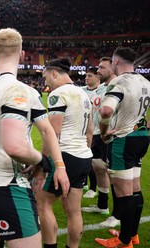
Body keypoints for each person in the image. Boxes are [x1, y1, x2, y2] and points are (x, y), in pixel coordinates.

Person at [0, 28, 69, 248]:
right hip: (6, 184)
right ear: (21, 55)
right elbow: (16, 146)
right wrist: (46, 162)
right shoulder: (19, 90)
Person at [95, 47, 150, 248]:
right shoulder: (145, 81)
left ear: (116, 61)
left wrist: (103, 131)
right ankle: (132, 234)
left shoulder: (119, 82)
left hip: (123, 139)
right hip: (141, 136)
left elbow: (106, 110)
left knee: (123, 192)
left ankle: (124, 241)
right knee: (135, 188)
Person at [37, 58, 93, 248]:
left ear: (54, 73)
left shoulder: (58, 94)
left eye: (46, 77)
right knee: (74, 211)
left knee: (43, 203)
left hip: (65, 156)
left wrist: (43, 162)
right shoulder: (84, 94)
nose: (45, 83)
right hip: (84, 156)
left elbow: (52, 133)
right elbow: (90, 131)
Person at [81, 57, 121, 228]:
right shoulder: (101, 89)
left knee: (115, 176)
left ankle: (117, 215)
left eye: (102, 67)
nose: (98, 70)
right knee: (98, 167)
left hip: (110, 135)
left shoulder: (117, 87)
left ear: (112, 69)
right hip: (97, 134)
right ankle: (102, 206)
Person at [82, 66, 101, 199]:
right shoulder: (81, 91)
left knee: (95, 162)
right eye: (86, 75)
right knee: (84, 158)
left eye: (90, 76)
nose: (86, 78)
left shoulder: (103, 91)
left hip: (97, 132)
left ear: (97, 77)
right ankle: (84, 182)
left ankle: (94, 188)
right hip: (82, 131)